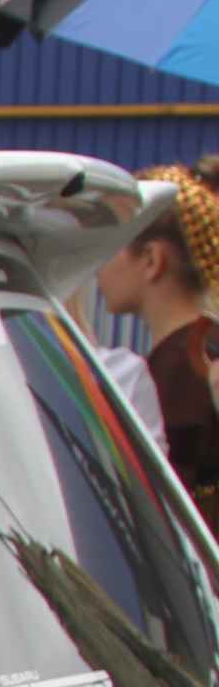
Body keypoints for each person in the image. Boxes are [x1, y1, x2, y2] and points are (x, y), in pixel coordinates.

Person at [98, 159, 219, 513]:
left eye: (111, 244)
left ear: (151, 260)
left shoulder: (179, 373)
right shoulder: (197, 351)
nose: (97, 265)